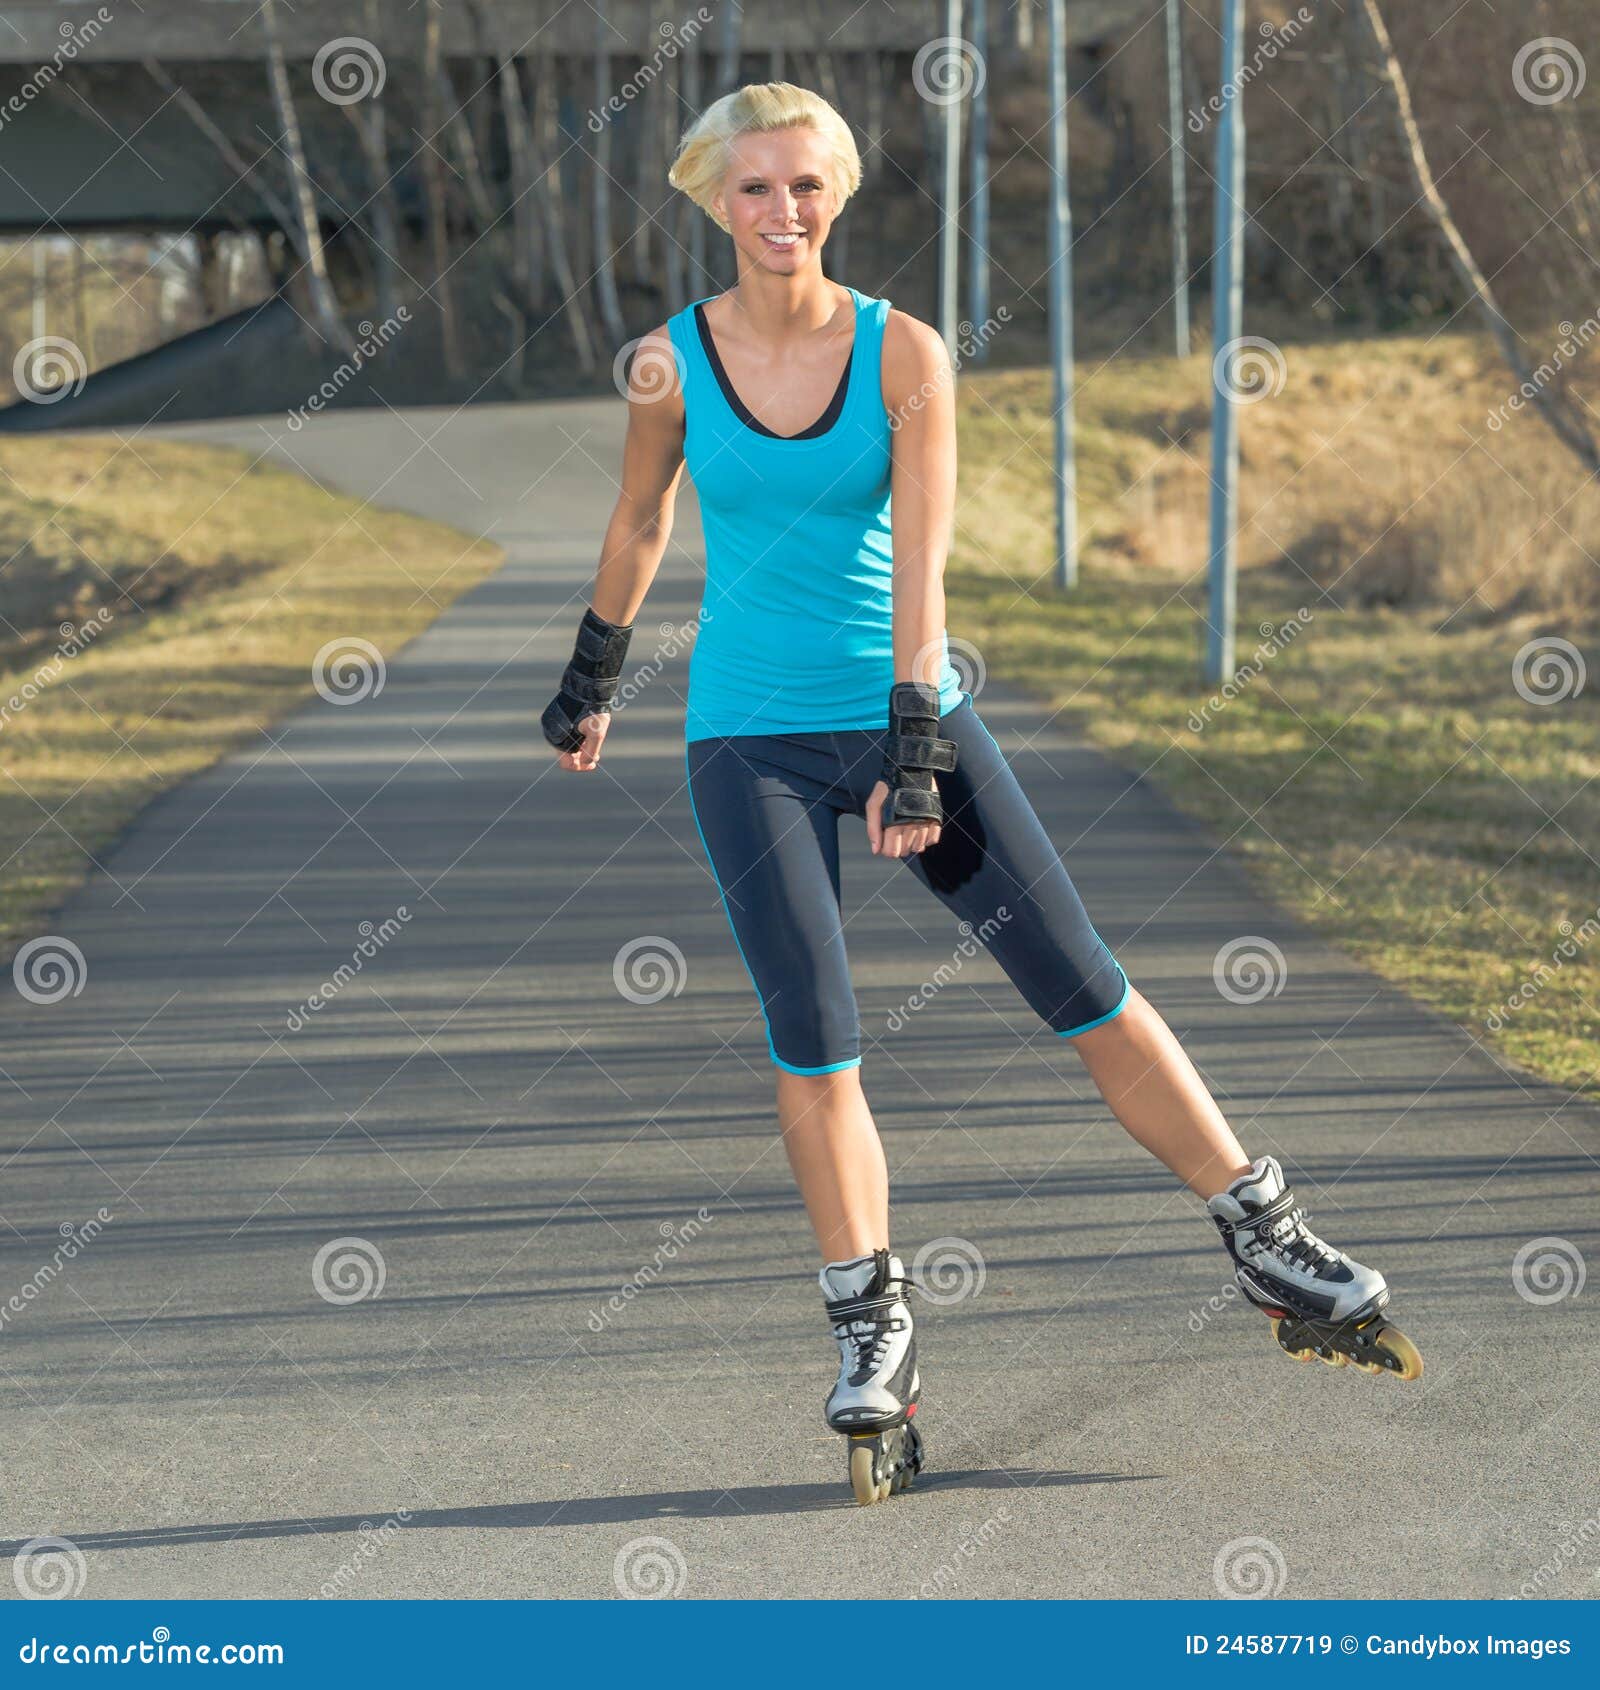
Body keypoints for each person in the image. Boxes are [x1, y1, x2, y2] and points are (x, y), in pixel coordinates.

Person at [542, 83, 1420, 1506]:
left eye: (807, 187)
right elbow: (642, 517)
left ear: (838, 193)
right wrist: (592, 673)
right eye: (755, 190)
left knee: (1078, 980)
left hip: (903, 708)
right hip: (744, 737)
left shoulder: (906, 352)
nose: (783, 214)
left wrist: (916, 740)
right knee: (813, 1033)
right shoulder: (667, 365)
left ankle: (1264, 1227)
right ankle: (871, 1323)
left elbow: (929, 561)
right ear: (716, 202)